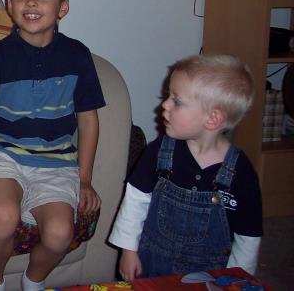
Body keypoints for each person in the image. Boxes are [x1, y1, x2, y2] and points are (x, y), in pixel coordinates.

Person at [0, 0, 105, 291]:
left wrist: (84, 178)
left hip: (56, 161)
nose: (31, 3)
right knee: (3, 217)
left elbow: (88, 121)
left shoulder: (78, 55)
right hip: (1, 153)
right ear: (10, 5)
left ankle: (33, 281)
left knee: (59, 234)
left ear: (62, 8)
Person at [109, 54, 262, 280]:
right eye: (168, 96)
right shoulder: (159, 151)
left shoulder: (241, 172)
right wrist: (128, 251)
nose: (165, 104)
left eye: (177, 101)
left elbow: (248, 234)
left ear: (212, 119)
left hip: (208, 273)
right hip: (151, 263)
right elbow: (135, 200)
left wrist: (238, 278)